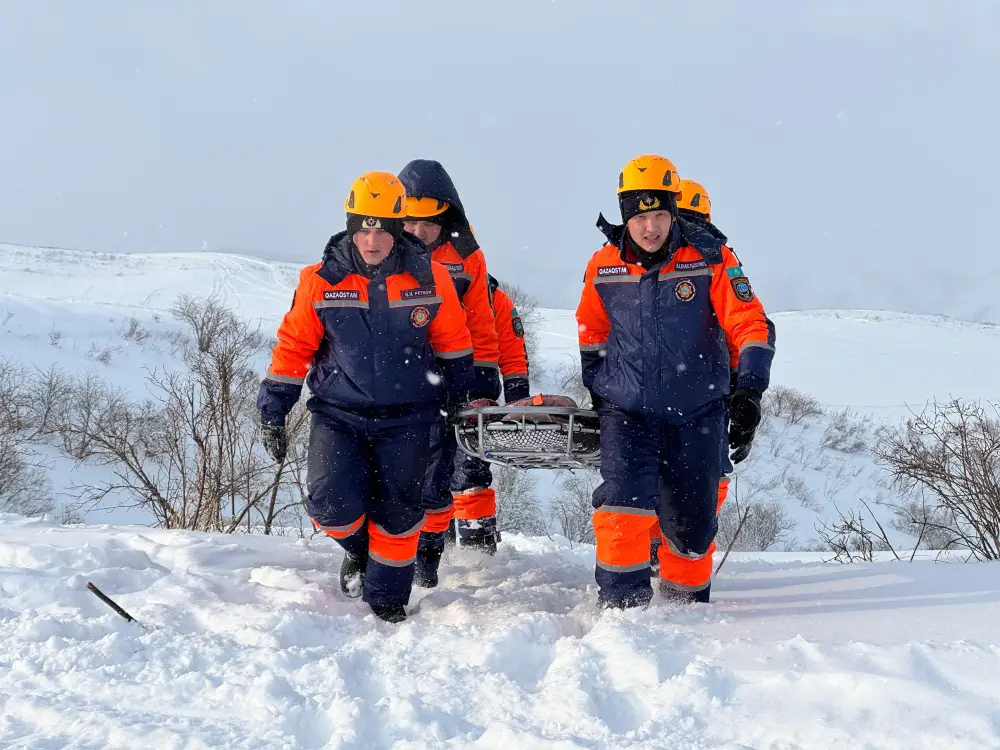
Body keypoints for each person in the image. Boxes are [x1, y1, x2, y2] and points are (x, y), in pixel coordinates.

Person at [256, 171, 474, 623]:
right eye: (363, 229)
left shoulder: (430, 279)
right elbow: (293, 347)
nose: (372, 241)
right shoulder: (321, 280)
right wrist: (273, 410)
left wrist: (459, 400)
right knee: (330, 504)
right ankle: (359, 550)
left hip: (410, 417)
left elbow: (454, 345)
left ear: (397, 228)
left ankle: (387, 603)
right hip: (339, 414)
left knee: (399, 515)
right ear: (351, 227)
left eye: (382, 230)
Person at [576, 155, 775, 608]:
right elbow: (592, 330)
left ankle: (684, 612)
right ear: (626, 216)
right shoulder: (603, 265)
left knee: (692, 524)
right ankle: (621, 612)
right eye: (640, 217)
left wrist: (749, 390)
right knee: (622, 505)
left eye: (660, 215)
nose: (650, 228)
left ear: (673, 212)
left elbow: (749, 324)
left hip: (698, 411)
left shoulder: (712, 259)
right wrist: (600, 387)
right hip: (627, 412)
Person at [397, 160, 501, 584]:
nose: (418, 232)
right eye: (410, 222)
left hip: (448, 382)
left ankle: (427, 557)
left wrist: (485, 381)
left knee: (440, 475)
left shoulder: (467, 257)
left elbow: (481, 325)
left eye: (429, 223)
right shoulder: (381, 249)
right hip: (394, 380)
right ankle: (381, 555)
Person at [449, 273, 531, 552]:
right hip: (426, 396)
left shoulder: (495, 299)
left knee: (470, 471)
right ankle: (432, 549)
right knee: (425, 473)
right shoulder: (419, 290)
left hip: (479, 402)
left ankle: (478, 550)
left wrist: (519, 407)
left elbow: (514, 355)